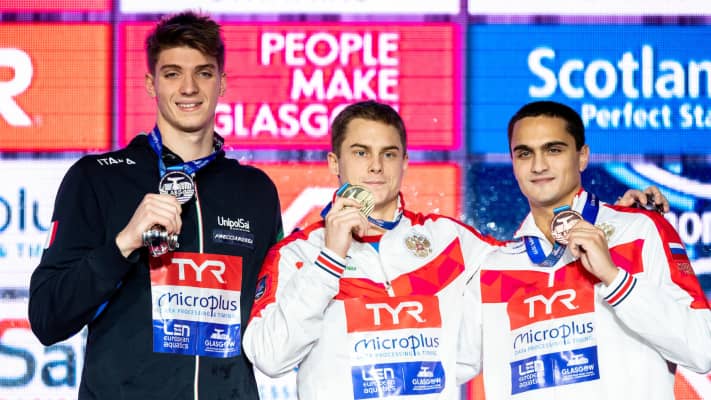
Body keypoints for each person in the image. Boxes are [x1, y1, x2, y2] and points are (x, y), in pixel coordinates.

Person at [242, 100, 667, 399]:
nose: (375, 166)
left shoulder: (450, 241)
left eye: (389, 154)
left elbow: (538, 261)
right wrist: (330, 259)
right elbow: (270, 358)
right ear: (334, 163)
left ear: (405, 162)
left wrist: (614, 217)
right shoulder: (297, 254)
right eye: (360, 153)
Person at [28, 11, 282, 400]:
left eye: (203, 73)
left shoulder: (255, 191)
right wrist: (123, 244)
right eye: (172, 73)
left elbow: (276, 323)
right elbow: (48, 318)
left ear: (222, 83)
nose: (189, 88)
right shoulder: (97, 179)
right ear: (151, 83)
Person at [472, 100, 711, 399]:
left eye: (553, 150)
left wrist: (615, 279)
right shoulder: (494, 265)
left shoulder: (639, 230)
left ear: (582, 156)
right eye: (524, 153)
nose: (538, 165)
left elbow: (703, 348)